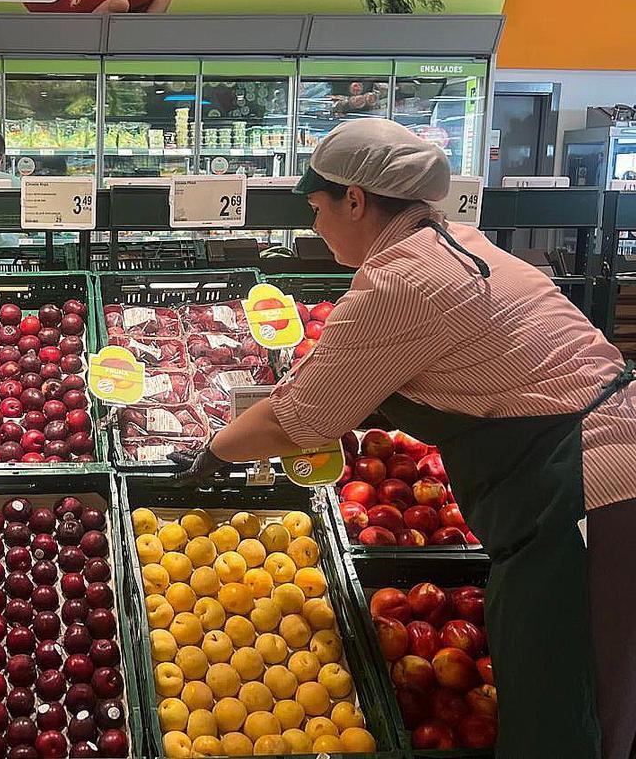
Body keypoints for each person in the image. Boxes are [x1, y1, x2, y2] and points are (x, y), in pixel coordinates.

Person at [171, 118, 636, 759]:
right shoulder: (453, 242)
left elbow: (296, 418)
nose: (313, 227)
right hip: (590, 472)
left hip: (590, 495)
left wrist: (212, 453)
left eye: (316, 209)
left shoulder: (400, 283)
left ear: (355, 200)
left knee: (571, 707)